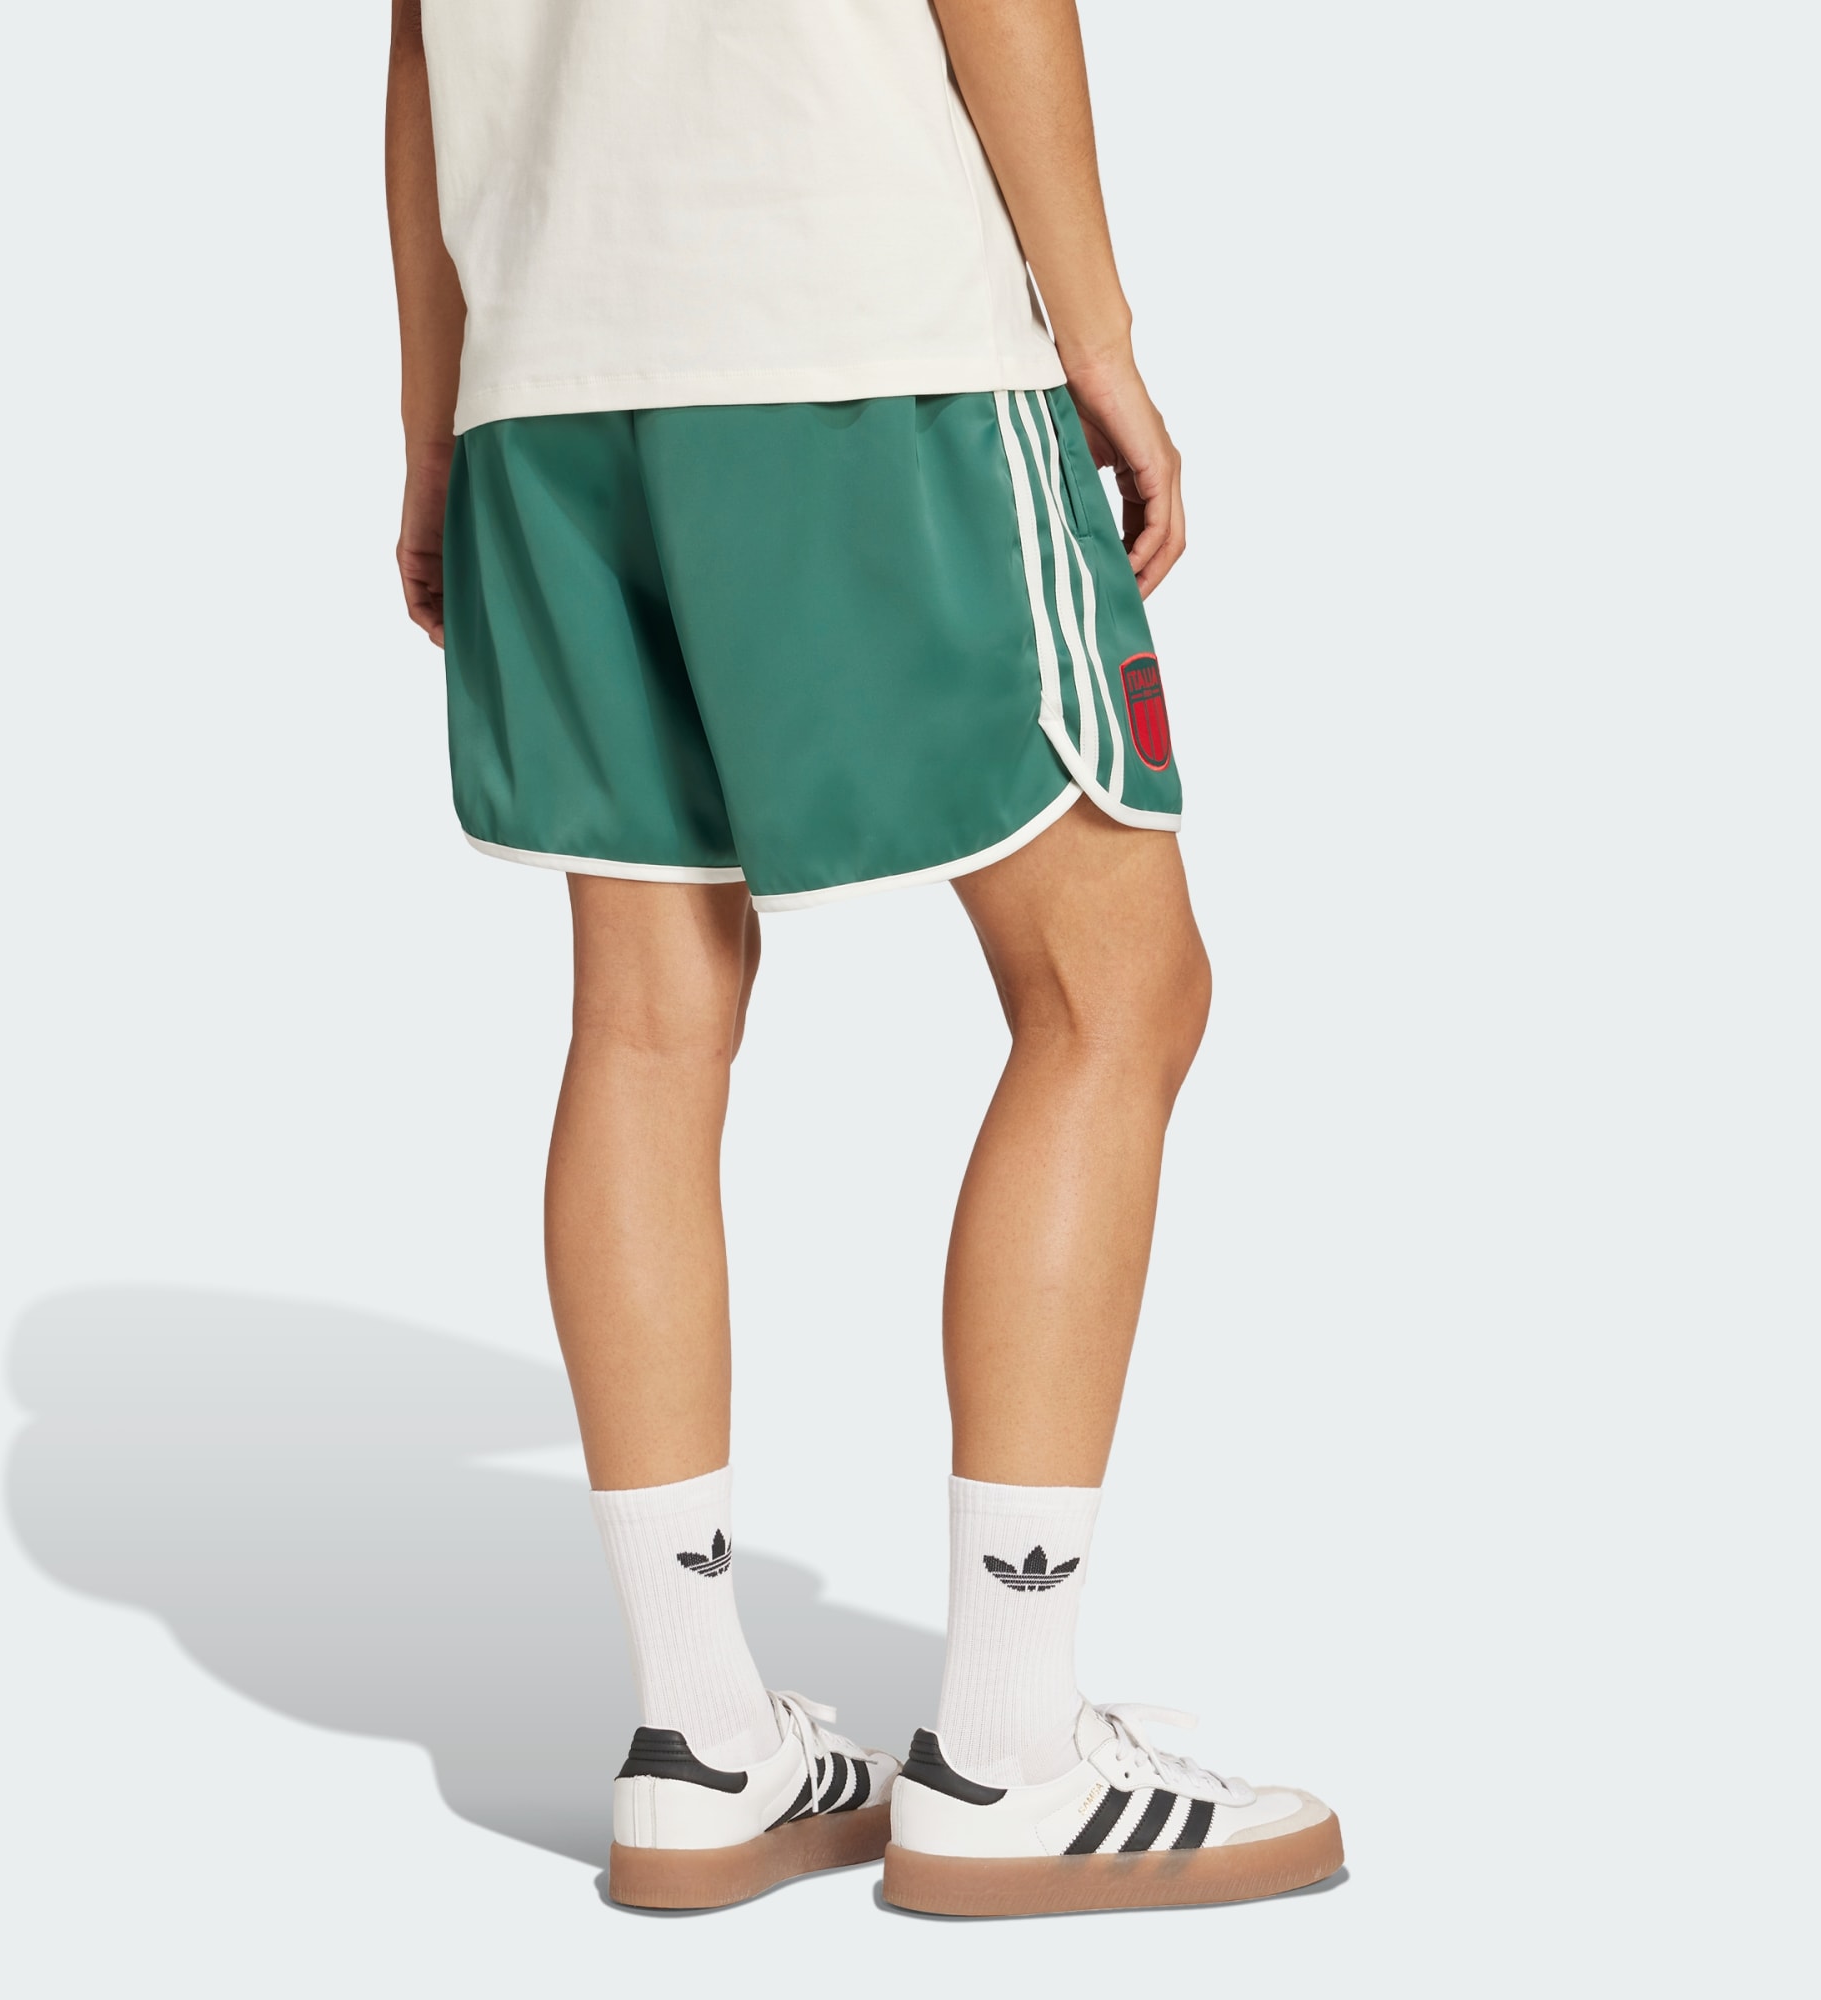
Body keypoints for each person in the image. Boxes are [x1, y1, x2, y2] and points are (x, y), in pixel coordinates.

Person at [385, 0, 1341, 1916]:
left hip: (551, 372)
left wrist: (436, 421)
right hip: (855, 321)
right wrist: (1103, 342)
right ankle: (1008, 1755)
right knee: (1117, 991)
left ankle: (698, 1745)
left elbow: (418, 50)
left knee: (647, 1022)